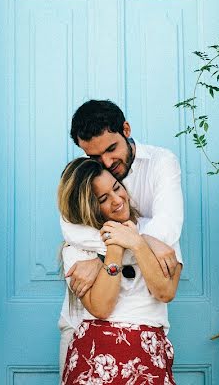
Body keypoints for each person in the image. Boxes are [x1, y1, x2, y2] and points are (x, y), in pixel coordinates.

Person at [59, 100, 184, 368]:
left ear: (126, 129)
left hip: (145, 332)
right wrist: (112, 249)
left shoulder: (161, 164)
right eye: (94, 157)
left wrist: (133, 242)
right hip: (85, 326)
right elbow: (71, 226)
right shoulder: (87, 177)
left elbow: (168, 225)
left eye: (111, 149)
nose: (106, 162)